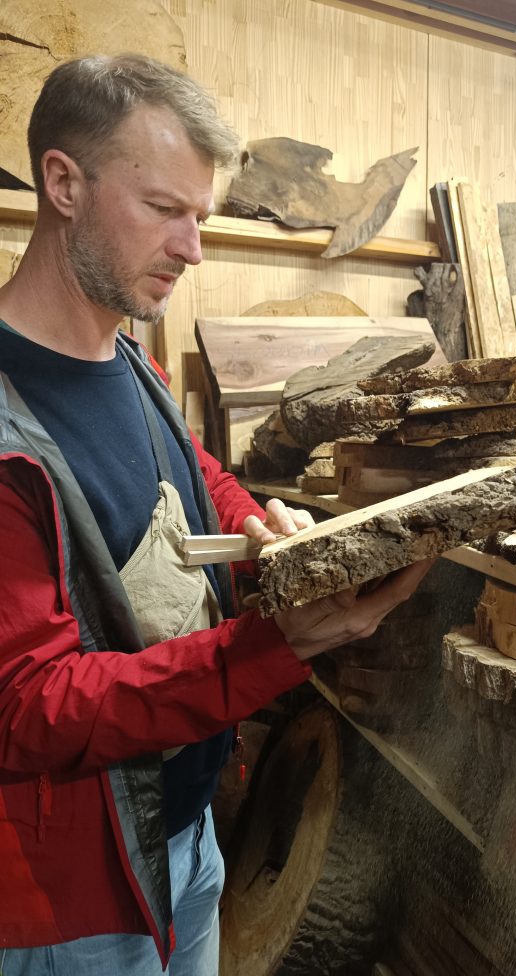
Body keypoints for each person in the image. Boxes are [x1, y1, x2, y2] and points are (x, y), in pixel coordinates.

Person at [0, 53, 431, 976]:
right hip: (67, 900)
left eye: (200, 216)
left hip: (186, 843)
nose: (194, 248)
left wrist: (265, 539)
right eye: (165, 210)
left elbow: (188, 479)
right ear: (63, 183)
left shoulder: (130, 363)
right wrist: (273, 648)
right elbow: (28, 709)